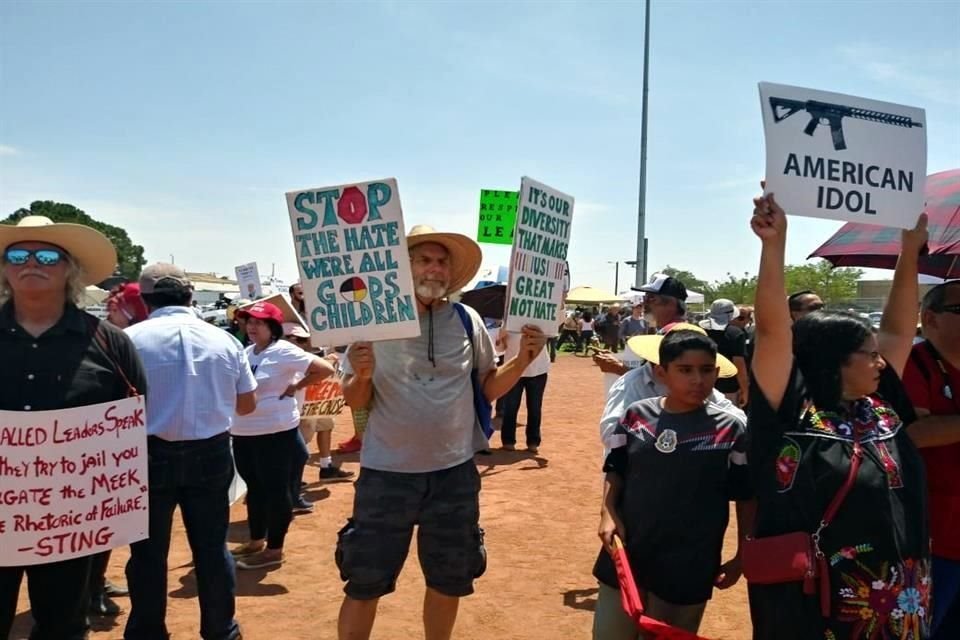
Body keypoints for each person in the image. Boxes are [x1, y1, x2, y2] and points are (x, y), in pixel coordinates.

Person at [336, 225, 546, 640]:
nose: (435, 268)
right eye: (425, 259)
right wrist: (362, 374)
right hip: (386, 473)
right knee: (365, 582)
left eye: (442, 261)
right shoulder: (374, 323)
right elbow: (355, 400)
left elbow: (487, 387)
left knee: (448, 579)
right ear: (404, 267)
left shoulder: (467, 321)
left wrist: (521, 361)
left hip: (454, 473)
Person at [746, 192, 931, 639]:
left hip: (900, 599)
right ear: (834, 362)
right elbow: (773, 331)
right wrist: (774, 245)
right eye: (869, 355)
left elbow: (898, 327)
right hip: (816, 601)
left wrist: (909, 251)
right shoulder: (791, 410)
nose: (882, 361)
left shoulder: (878, 402)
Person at [0, 215, 147, 640]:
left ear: (69, 270)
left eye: (47, 255)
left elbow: (134, 414)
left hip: (70, 522)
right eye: (18, 255)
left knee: (62, 624)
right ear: (5, 268)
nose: (32, 262)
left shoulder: (110, 342)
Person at [124, 263, 257, 640]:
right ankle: (220, 630)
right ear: (190, 297)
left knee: (147, 554)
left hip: (147, 455)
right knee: (212, 550)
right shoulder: (225, 341)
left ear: (146, 302)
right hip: (210, 453)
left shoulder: (128, 339)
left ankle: (147, 632)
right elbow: (246, 405)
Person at [593, 329, 752, 639]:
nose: (697, 380)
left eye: (706, 370)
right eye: (685, 370)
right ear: (662, 372)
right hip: (627, 552)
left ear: (717, 373)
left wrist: (742, 555)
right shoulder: (636, 415)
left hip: (689, 561)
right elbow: (616, 468)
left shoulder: (732, 428)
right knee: (609, 634)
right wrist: (607, 511)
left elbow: (746, 496)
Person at [230, 302, 336, 570]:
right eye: (249, 322)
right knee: (254, 490)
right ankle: (256, 541)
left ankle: (274, 550)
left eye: (259, 322)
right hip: (244, 433)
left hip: (275, 433)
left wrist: (296, 386)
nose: (252, 327)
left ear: (273, 327)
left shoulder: (284, 350)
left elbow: (325, 369)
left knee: (276, 491)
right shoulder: (247, 352)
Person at [86, 281, 151, 618]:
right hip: (87, 446)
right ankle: (89, 587)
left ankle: (94, 582)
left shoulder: (125, 340)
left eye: (118, 302)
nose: (110, 305)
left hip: (113, 449)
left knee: (104, 526)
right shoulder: (101, 337)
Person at [903, 279, 960, 638]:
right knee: (925, 629)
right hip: (933, 538)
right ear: (930, 318)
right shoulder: (913, 364)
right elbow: (914, 434)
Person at [594, 274, 689, 378]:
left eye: (651, 298)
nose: (644, 303)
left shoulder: (675, 333)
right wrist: (618, 359)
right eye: (645, 297)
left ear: (671, 303)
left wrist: (617, 367)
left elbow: (659, 380)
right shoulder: (673, 331)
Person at [498, 327, 551, 453]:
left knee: (534, 408)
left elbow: (556, 322)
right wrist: (501, 337)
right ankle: (508, 441)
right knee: (511, 407)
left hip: (538, 370)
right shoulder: (509, 323)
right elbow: (499, 348)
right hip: (514, 371)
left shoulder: (542, 323)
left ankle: (533, 442)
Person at [699, 298, 750, 407]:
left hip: (701, 385)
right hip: (728, 388)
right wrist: (745, 390)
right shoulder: (735, 334)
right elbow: (739, 365)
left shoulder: (699, 330)